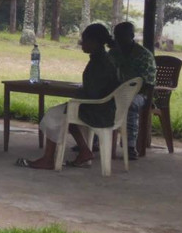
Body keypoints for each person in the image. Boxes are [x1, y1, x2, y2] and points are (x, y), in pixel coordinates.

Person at [15, 23, 120, 170]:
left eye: (85, 40)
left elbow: (94, 92)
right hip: (106, 108)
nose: (82, 43)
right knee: (66, 113)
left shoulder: (99, 63)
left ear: (94, 42)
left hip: (98, 111)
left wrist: (78, 95)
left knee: (53, 114)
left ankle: (48, 159)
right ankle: (84, 151)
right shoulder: (104, 59)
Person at [109, 21, 156, 159]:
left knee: (128, 104)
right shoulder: (113, 53)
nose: (118, 39)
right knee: (97, 100)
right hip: (115, 91)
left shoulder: (143, 55)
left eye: (122, 36)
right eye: (116, 35)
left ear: (132, 36)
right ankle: (94, 141)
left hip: (139, 94)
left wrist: (127, 93)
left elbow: (149, 84)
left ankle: (130, 146)